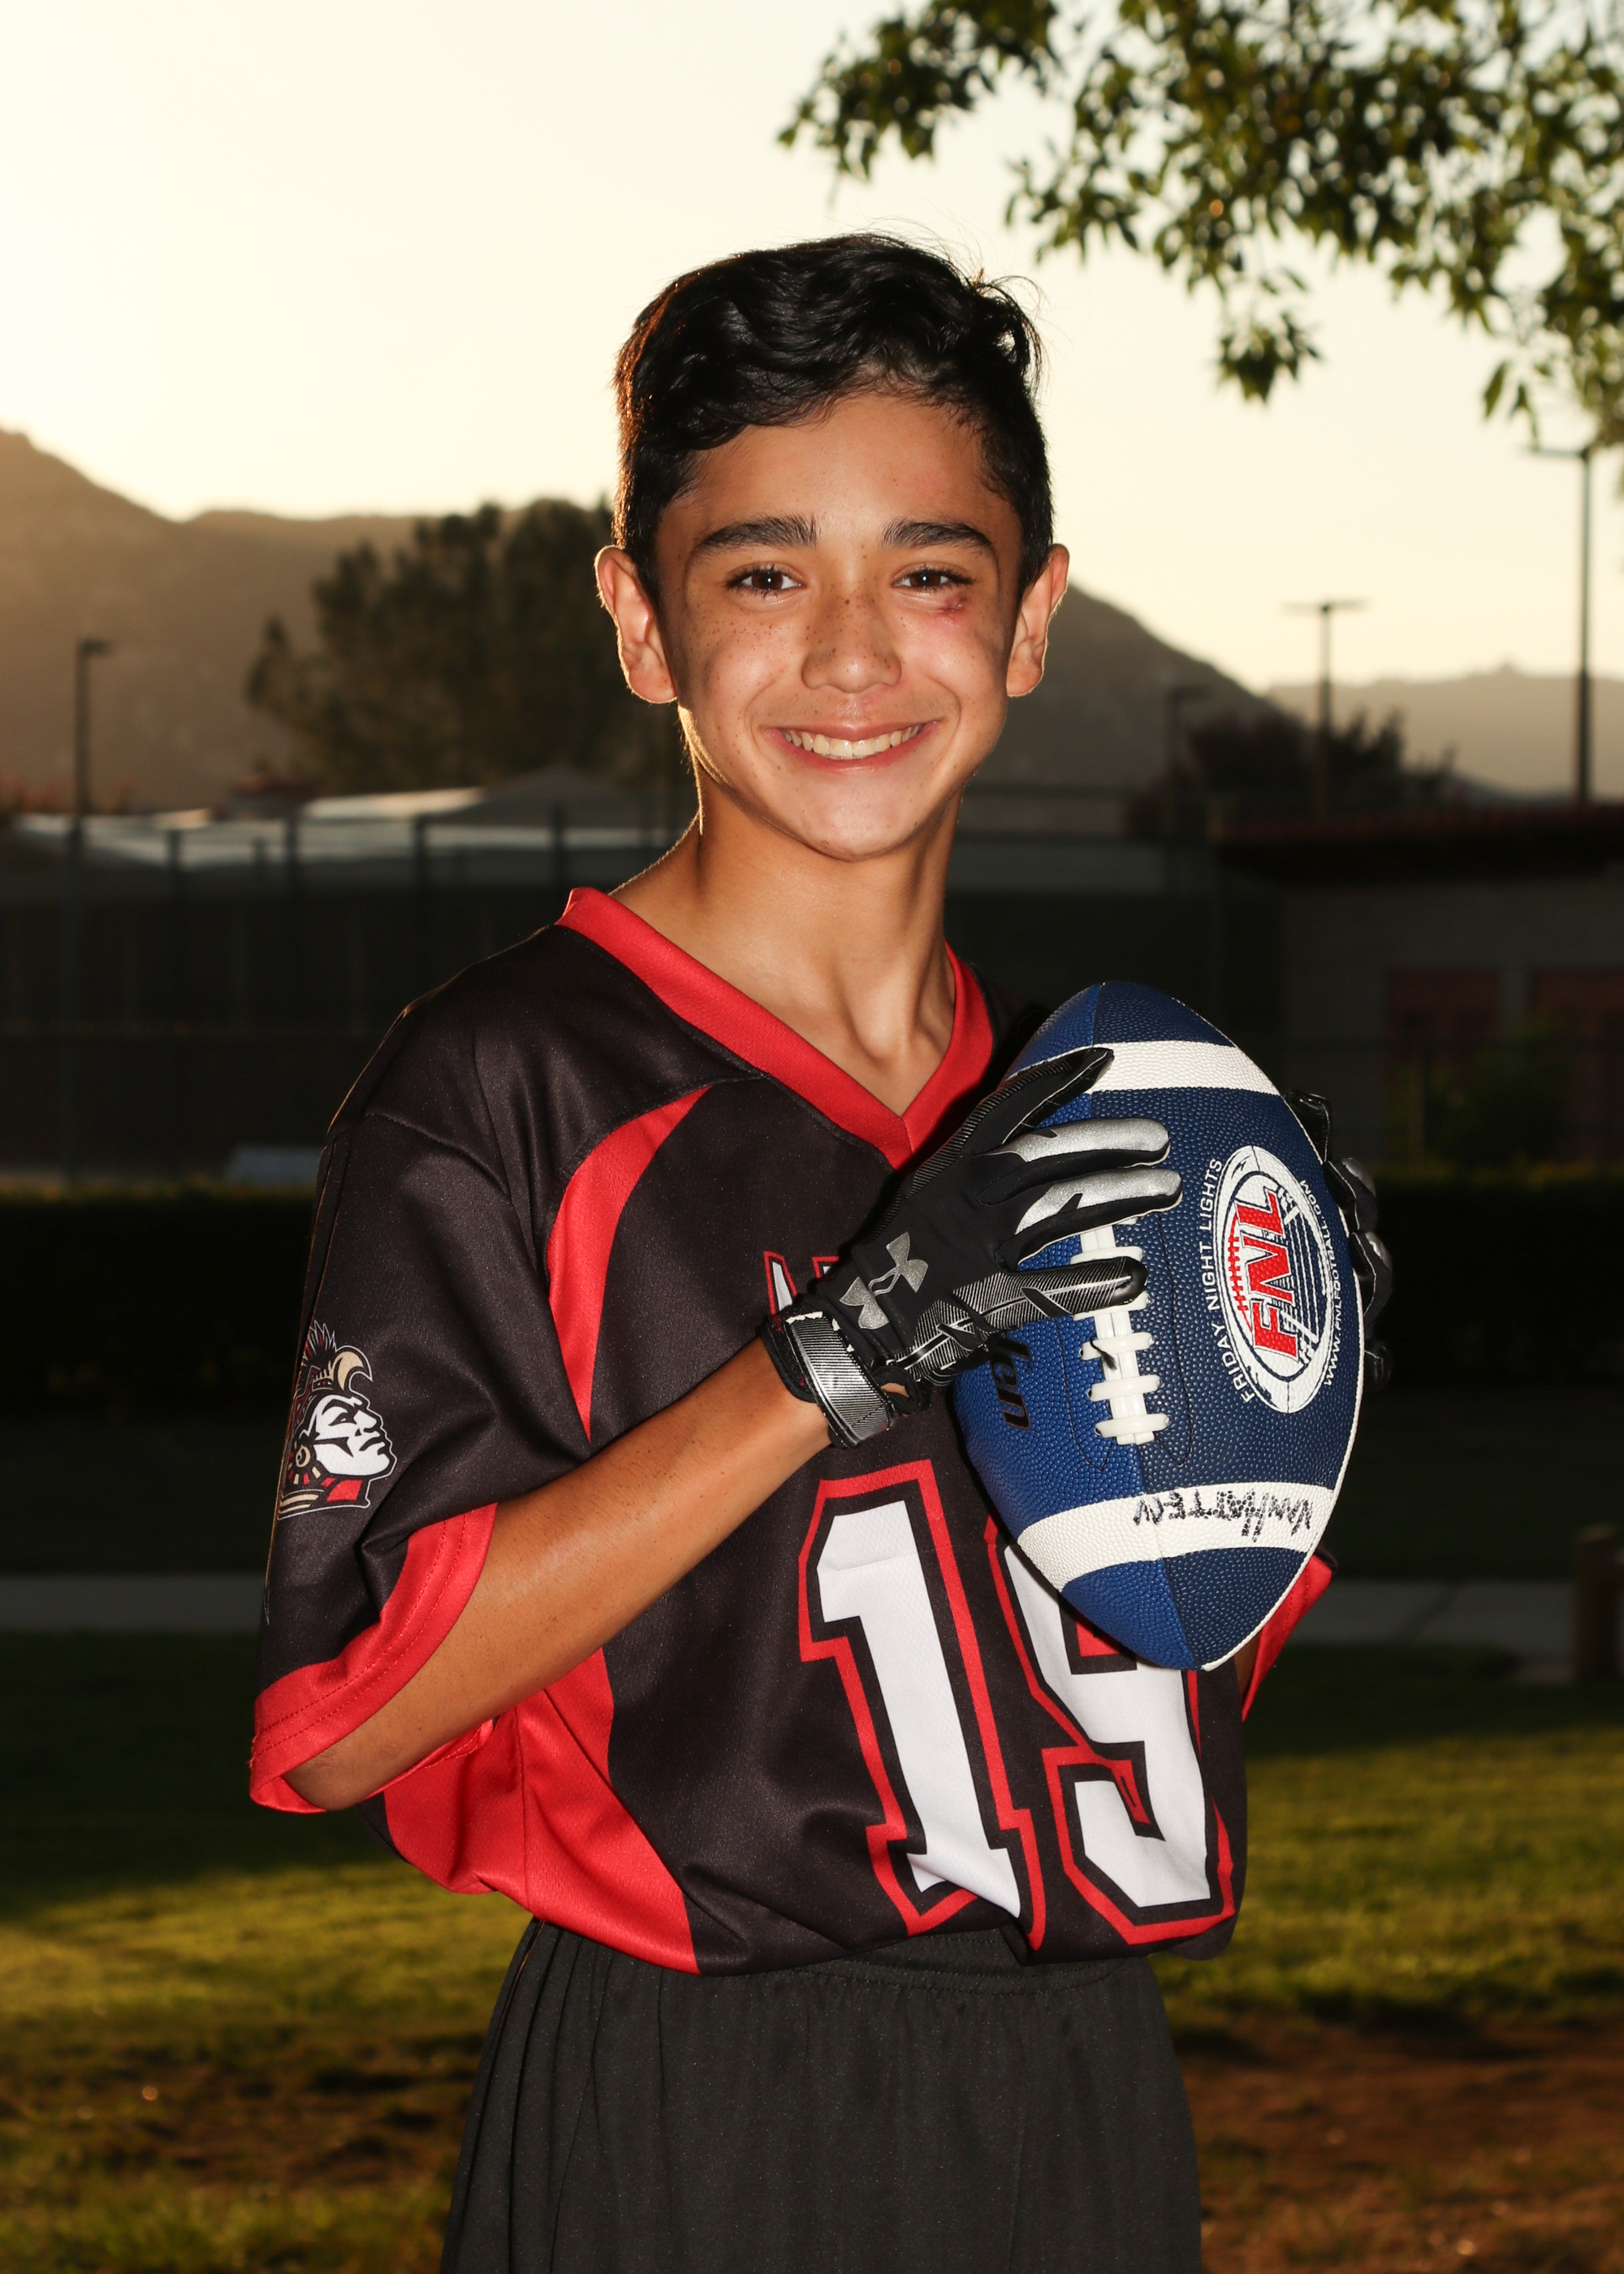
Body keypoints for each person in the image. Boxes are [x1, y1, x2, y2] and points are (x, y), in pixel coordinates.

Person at [251, 235, 1333, 2274]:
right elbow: (346, 1708)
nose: (851, 652)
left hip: (1085, 2084)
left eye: (927, 571)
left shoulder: (1095, 1103)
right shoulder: (508, 1084)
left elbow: (1134, 1665)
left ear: (1030, 617)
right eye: (762, 573)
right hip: (702, 2098)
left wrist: (1279, 1390)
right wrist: (834, 1358)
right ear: (640, 619)